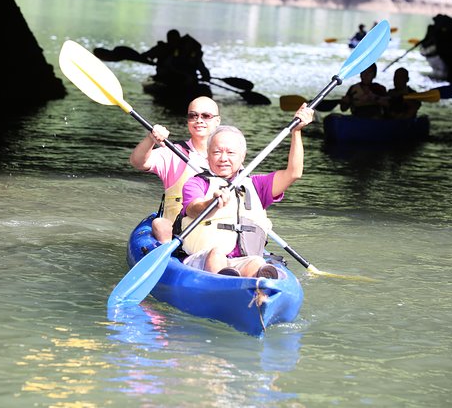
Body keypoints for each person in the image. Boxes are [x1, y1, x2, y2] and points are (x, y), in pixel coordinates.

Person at [177, 104, 315, 279]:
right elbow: (193, 208)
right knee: (217, 254)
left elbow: (294, 173)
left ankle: (260, 287)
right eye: (217, 152)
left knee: (257, 262)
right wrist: (211, 204)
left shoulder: (257, 185)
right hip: (203, 259)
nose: (223, 158)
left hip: (243, 260)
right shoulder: (197, 183)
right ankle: (225, 284)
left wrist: (296, 132)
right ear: (208, 155)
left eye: (231, 153)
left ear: (243, 156)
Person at [129, 96, 221, 243]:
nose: (199, 120)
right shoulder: (174, 153)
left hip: (214, 234)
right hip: (177, 235)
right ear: (188, 120)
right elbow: (137, 162)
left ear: (217, 121)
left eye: (206, 116)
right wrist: (151, 139)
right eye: (193, 116)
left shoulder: (226, 158)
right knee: (159, 224)